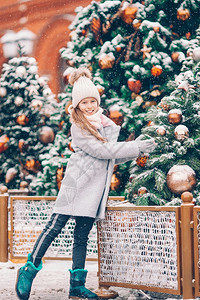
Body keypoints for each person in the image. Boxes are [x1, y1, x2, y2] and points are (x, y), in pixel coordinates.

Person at [15, 67, 156, 300]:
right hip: (76, 184)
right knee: (54, 227)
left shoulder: (103, 123)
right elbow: (102, 151)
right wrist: (134, 147)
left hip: (93, 189)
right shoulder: (79, 126)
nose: (89, 106)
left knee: (82, 235)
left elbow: (110, 156)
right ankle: (29, 268)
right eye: (84, 103)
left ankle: (77, 286)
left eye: (93, 101)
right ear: (77, 105)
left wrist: (135, 148)